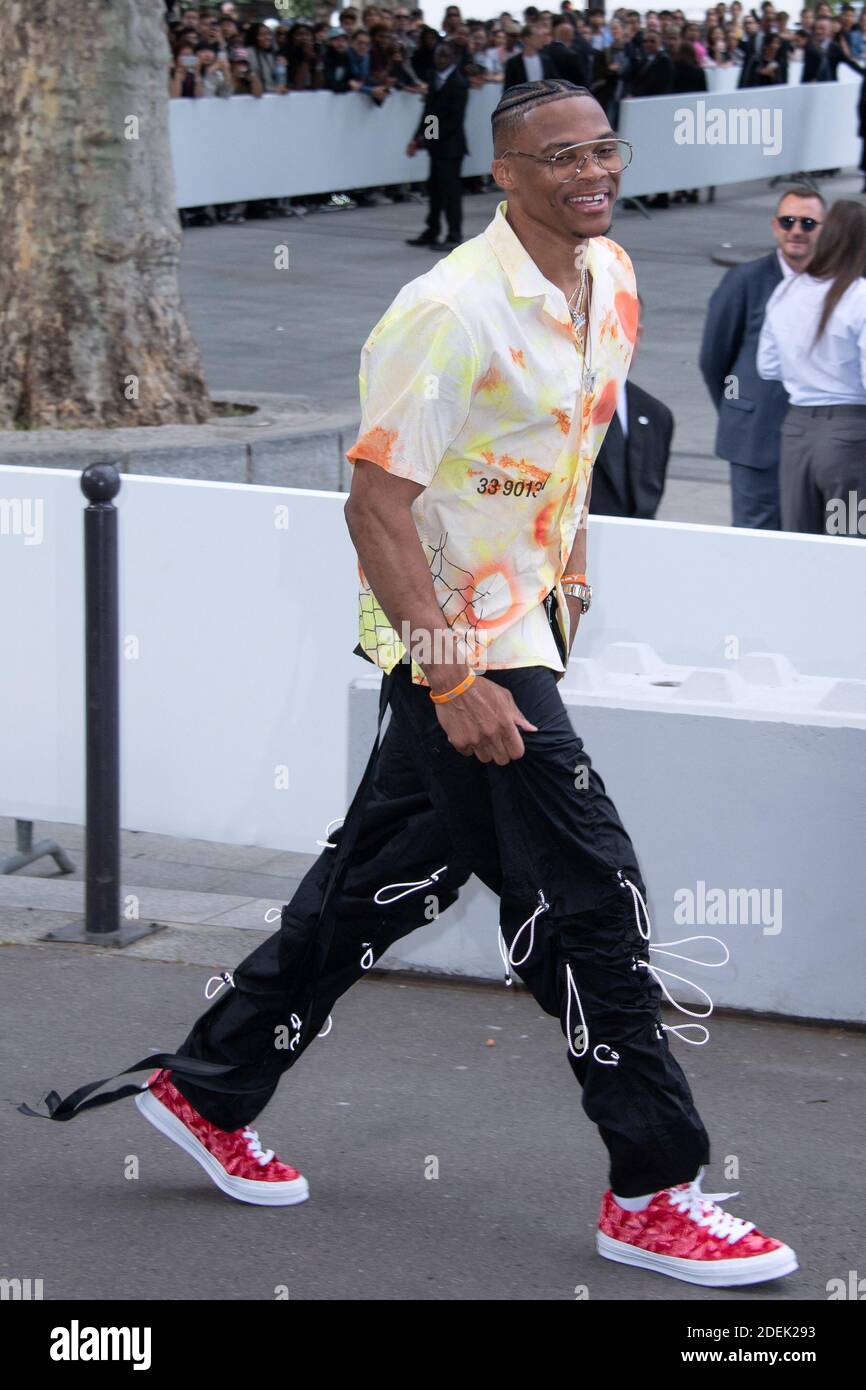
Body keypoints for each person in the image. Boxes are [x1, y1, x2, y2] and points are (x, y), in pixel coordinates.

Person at [24, 76, 798, 1293]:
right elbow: (374, 509)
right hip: (458, 649)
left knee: (380, 882)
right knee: (592, 899)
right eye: (557, 157)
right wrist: (449, 681)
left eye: (603, 148)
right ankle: (654, 1189)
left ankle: (206, 1085)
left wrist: (574, 578)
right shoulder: (448, 311)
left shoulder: (611, 279)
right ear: (502, 174)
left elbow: (570, 451)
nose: (589, 171)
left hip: (522, 628)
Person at [699, 185, 826, 530]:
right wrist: (739, 407)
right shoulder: (744, 281)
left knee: (813, 543)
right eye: (788, 222)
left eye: (808, 223)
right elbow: (715, 359)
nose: (796, 230)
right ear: (775, 227)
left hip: (818, 448)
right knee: (755, 543)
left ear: (825, 230)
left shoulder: (838, 284)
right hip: (755, 444)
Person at [757, 200, 866, 535]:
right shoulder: (859, 294)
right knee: (851, 540)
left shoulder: (788, 288)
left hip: (796, 431)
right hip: (850, 433)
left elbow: (767, 366)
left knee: (800, 542)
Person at [590, 295, 673, 518]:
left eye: (628, 327)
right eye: (610, 326)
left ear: (639, 335)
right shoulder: (563, 405)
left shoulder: (657, 416)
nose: (619, 338)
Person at [405, 41, 469, 250]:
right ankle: (432, 230)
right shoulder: (434, 79)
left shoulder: (458, 83)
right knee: (435, 190)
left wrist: (430, 138)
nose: (439, 59)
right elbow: (430, 113)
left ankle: (454, 233)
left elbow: (454, 120)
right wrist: (421, 137)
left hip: (451, 147)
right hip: (437, 146)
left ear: (452, 58)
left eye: (444, 56)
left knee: (451, 192)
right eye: (437, 55)